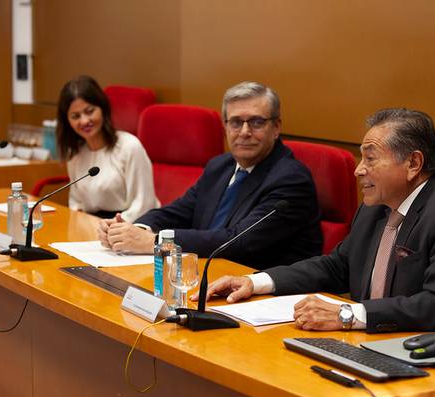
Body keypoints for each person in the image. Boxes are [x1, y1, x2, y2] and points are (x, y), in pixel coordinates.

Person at [198, 108, 435, 345]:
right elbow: (337, 266)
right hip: (380, 344)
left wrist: (346, 314)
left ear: (413, 164)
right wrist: (257, 282)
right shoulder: (376, 207)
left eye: (370, 158)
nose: (358, 169)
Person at [98, 81, 323, 270]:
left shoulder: (291, 180)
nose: (244, 132)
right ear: (225, 127)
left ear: (276, 128)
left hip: (264, 295)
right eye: (235, 122)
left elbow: (239, 242)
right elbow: (177, 212)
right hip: (205, 276)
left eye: (256, 122)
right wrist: (132, 229)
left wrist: (156, 242)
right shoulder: (221, 166)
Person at [56, 75, 160, 221]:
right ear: (67, 121)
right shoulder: (75, 154)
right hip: (91, 228)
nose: (84, 121)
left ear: (103, 108)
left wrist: (111, 226)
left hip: (128, 225)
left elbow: (144, 205)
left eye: (89, 111)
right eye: (75, 116)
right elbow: (76, 202)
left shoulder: (130, 146)